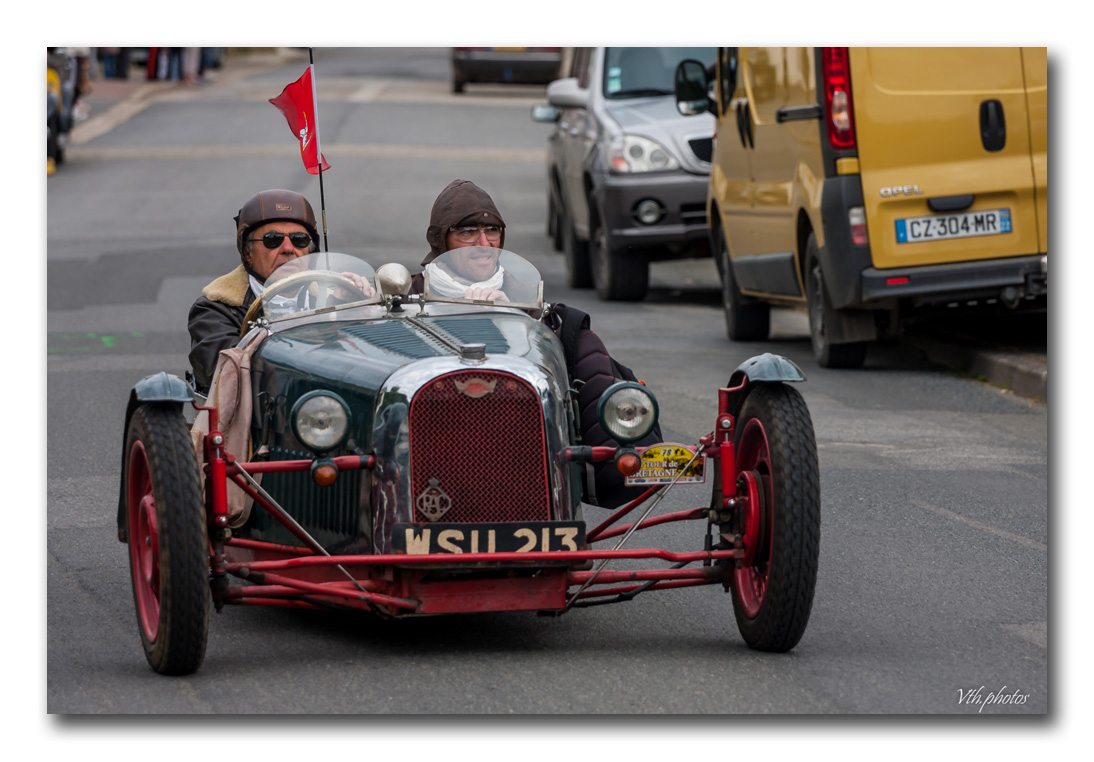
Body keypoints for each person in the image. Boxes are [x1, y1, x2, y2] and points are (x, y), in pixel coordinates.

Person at [414, 179, 661, 508]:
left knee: (581, 341)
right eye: (467, 231)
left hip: (520, 452)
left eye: (493, 230)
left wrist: (515, 319)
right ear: (440, 239)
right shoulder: (406, 299)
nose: (484, 243)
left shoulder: (537, 308)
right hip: (428, 450)